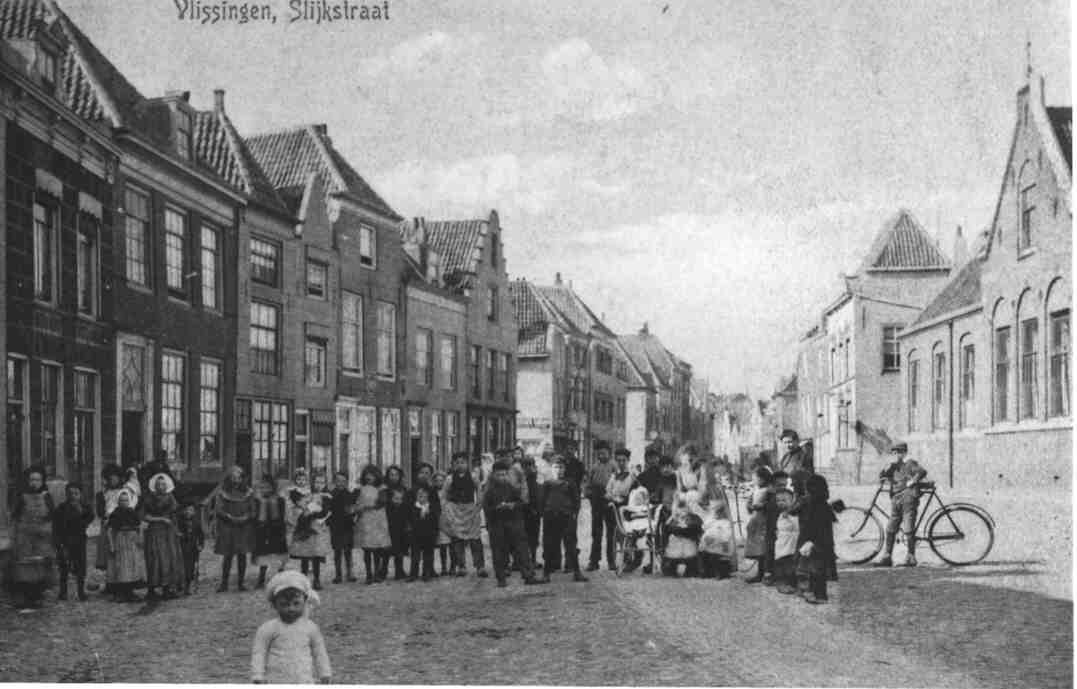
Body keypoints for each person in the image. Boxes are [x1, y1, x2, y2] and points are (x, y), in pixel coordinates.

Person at [251, 570, 332, 684]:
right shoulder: (268, 629)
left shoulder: (310, 628)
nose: (291, 609)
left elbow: (319, 652)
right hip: (276, 680)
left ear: (305, 601)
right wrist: (257, 675)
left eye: (296, 603)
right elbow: (259, 652)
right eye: (284, 604)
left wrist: (324, 673)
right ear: (274, 605)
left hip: (304, 680)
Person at [482, 460, 546, 587]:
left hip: (513, 523)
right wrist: (497, 508)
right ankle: (501, 578)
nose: (502, 477)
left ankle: (528, 575)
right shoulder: (489, 491)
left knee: (522, 550)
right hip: (497, 524)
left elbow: (521, 502)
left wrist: (513, 505)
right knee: (499, 552)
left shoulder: (511, 488)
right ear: (493, 475)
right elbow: (487, 509)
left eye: (505, 474)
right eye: (499, 475)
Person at [874, 441, 927, 568]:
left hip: (909, 498)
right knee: (890, 528)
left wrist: (913, 481)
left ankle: (911, 557)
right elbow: (882, 476)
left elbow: (922, 471)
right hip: (896, 499)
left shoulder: (910, 463)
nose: (896, 455)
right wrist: (886, 469)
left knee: (908, 528)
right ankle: (887, 557)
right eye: (894, 453)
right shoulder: (893, 466)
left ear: (904, 453)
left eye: (898, 452)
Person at [538, 457, 587, 583]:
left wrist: (574, 514)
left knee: (571, 545)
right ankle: (546, 574)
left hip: (566, 517)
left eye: (561, 467)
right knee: (549, 545)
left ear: (565, 469)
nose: (559, 470)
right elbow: (542, 501)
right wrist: (544, 513)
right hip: (551, 518)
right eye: (556, 467)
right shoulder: (547, 483)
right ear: (551, 468)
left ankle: (577, 572)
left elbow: (576, 501)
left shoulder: (570, 483)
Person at [11, 466, 55, 608]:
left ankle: (37, 596)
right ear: (27, 481)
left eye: (37, 480)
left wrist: (46, 529)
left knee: (40, 567)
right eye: (32, 480)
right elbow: (15, 516)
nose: (34, 483)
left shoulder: (46, 496)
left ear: (42, 481)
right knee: (26, 567)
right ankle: (26, 597)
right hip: (25, 537)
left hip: (42, 537)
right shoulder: (22, 496)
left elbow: (52, 515)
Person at [443, 452, 487, 578]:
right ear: (453, 465)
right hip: (456, 511)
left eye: (462, 462)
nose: (460, 465)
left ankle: (480, 566)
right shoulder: (450, 479)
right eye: (457, 463)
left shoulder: (473, 477)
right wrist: (447, 508)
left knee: (475, 539)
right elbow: (444, 494)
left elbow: (479, 490)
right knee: (458, 539)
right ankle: (461, 566)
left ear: (467, 464)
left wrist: (478, 506)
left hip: (470, 509)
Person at [94, 464, 140, 584]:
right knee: (110, 554)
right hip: (108, 526)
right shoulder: (103, 494)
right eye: (109, 478)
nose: (112, 480)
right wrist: (107, 517)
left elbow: (131, 508)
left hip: (122, 527)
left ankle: (125, 581)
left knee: (123, 556)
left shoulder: (124, 492)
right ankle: (111, 582)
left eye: (115, 477)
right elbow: (100, 512)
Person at [141, 473, 185, 599]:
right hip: (154, 532)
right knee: (154, 559)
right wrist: (160, 519)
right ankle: (151, 589)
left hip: (168, 533)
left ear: (167, 485)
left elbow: (174, 514)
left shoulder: (170, 498)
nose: (161, 487)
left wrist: (176, 529)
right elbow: (144, 516)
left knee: (168, 558)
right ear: (154, 486)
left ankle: (167, 588)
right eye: (158, 484)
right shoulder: (149, 498)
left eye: (163, 484)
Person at [215, 465, 258, 592]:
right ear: (229, 478)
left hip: (243, 527)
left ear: (242, 478)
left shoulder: (248, 493)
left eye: (238, 477)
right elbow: (219, 509)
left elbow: (253, 510)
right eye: (233, 477)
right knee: (228, 555)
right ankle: (224, 583)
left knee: (242, 555)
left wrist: (246, 518)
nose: (235, 480)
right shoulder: (223, 492)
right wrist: (229, 517)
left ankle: (241, 583)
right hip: (228, 527)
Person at [795, 474, 837, 604]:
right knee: (819, 569)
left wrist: (808, 541)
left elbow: (806, 523)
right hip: (824, 542)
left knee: (811, 568)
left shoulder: (808, 503)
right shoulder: (824, 505)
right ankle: (820, 594)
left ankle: (813, 592)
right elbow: (831, 521)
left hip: (812, 540)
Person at [287, 469, 331, 590]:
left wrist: (312, 514)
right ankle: (304, 579)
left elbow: (325, 511)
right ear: (312, 482)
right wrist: (306, 512)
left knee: (316, 555)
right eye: (316, 482)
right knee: (305, 555)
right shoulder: (307, 494)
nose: (319, 485)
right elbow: (301, 507)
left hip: (317, 527)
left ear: (325, 484)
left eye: (322, 483)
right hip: (307, 528)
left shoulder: (326, 496)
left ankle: (316, 579)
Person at [52, 481, 94, 601]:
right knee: (64, 566)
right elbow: (56, 525)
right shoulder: (61, 508)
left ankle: (81, 592)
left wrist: (80, 512)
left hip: (79, 540)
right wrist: (57, 542)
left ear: (81, 494)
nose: (73, 496)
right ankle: (63, 592)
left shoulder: (85, 507)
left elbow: (90, 517)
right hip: (65, 540)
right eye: (70, 493)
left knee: (80, 567)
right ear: (66, 494)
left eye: (76, 493)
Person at [105, 490, 145, 602]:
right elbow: (110, 530)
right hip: (121, 541)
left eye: (126, 500)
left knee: (132, 566)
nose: (124, 502)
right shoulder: (115, 513)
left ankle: (130, 592)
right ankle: (121, 593)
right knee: (121, 567)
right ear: (118, 502)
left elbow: (139, 526)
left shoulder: (132, 512)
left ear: (129, 501)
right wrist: (112, 545)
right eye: (122, 500)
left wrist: (140, 538)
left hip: (132, 541)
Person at [353, 465, 390, 584]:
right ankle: (369, 574)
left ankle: (377, 573)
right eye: (367, 475)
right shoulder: (361, 489)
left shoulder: (382, 488)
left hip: (378, 520)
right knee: (367, 548)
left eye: (372, 475)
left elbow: (382, 502)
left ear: (377, 476)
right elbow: (356, 503)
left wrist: (366, 506)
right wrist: (357, 509)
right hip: (365, 520)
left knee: (377, 548)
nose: (369, 477)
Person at [583, 442, 616, 572]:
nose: (601, 456)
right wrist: (588, 493)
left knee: (611, 532)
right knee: (596, 532)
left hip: (609, 500)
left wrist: (613, 495)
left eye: (604, 453)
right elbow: (587, 483)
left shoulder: (614, 466)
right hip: (596, 500)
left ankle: (611, 561)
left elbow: (618, 482)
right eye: (599, 453)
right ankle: (594, 561)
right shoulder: (594, 467)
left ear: (609, 453)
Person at [253, 478, 289, 589]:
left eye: (267, 487)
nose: (265, 490)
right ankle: (261, 578)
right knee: (263, 554)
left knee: (279, 554)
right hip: (263, 529)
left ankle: (281, 578)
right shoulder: (258, 500)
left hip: (277, 529)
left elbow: (283, 515)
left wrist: (283, 530)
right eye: (262, 487)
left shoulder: (280, 500)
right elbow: (255, 515)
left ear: (273, 488)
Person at [743, 466, 776, 584]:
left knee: (764, 548)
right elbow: (750, 503)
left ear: (762, 479)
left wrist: (762, 506)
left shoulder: (769, 491)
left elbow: (772, 505)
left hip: (764, 522)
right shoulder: (756, 490)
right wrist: (749, 505)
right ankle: (760, 573)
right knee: (758, 549)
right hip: (756, 521)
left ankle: (767, 574)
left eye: (755, 478)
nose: (754, 480)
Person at [327, 472, 357, 584]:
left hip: (347, 525)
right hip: (335, 526)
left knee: (348, 550)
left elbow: (353, 509)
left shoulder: (349, 494)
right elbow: (328, 510)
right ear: (334, 482)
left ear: (346, 482)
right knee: (337, 551)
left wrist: (353, 514)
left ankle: (350, 573)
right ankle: (338, 574)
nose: (341, 483)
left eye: (343, 481)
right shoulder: (331, 495)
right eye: (338, 481)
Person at [662, 496, 703, 577]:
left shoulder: (694, 517)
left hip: (689, 541)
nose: (682, 510)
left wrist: (685, 530)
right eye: (679, 507)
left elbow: (696, 528)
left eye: (684, 507)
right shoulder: (672, 518)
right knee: (672, 557)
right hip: (675, 542)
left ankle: (691, 571)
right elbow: (667, 529)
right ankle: (671, 570)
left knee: (690, 557)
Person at [407, 485, 440, 582]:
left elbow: (435, 521)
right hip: (416, 535)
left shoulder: (431, 507)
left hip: (429, 535)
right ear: (416, 496)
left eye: (424, 495)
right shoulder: (413, 507)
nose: (421, 497)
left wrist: (435, 533)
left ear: (427, 496)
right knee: (415, 556)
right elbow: (411, 521)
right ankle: (413, 574)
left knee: (428, 555)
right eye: (419, 495)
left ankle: (426, 573)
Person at [698, 499, 736, 580]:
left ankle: (720, 572)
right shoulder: (712, 520)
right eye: (716, 512)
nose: (717, 514)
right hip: (708, 543)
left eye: (719, 512)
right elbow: (704, 527)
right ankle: (706, 571)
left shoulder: (726, 522)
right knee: (703, 553)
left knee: (717, 556)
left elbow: (726, 535)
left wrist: (719, 540)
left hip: (720, 544)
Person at [772, 486, 800, 594]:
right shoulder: (780, 514)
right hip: (782, 543)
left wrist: (789, 517)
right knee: (781, 564)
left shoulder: (794, 514)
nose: (780, 503)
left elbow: (797, 526)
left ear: (792, 500)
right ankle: (781, 584)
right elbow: (780, 527)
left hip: (791, 542)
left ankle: (792, 584)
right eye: (778, 500)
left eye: (784, 500)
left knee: (791, 564)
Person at [619, 485, 651, 573]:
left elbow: (649, 516)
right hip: (633, 527)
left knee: (645, 536)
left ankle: (641, 560)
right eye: (636, 499)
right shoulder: (631, 508)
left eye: (640, 499)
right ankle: (630, 558)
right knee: (630, 536)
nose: (638, 500)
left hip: (644, 526)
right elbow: (627, 517)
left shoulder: (647, 507)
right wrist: (633, 514)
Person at [176, 499, 205, 595]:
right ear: (183, 511)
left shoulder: (196, 522)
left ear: (194, 512)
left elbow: (201, 535)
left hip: (193, 548)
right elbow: (177, 533)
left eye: (191, 510)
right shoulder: (179, 521)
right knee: (181, 567)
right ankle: (179, 585)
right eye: (187, 510)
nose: (188, 512)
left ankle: (188, 587)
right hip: (182, 547)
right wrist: (180, 535)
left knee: (191, 567)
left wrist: (201, 545)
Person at [778, 430, 813, 498]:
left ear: (796, 441)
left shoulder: (803, 456)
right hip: (786, 491)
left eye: (790, 442)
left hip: (798, 492)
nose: (787, 445)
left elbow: (805, 476)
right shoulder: (785, 457)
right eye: (785, 443)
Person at [520, 456, 542, 568]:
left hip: (534, 512)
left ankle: (532, 559)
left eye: (532, 465)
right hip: (526, 511)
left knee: (533, 537)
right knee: (527, 537)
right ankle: (527, 560)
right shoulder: (524, 480)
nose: (530, 468)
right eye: (527, 466)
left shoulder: (534, 478)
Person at [385, 487, 410, 581]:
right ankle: (383, 571)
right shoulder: (388, 508)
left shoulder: (404, 507)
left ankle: (399, 571)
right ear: (391, 499)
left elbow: (406, 520)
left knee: (399, 554)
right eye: (396, 499)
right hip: (390, 533)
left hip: (401, 534)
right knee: (388, 553)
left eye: (400, 499)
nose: (398, 501)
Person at [432, 471, 454, 575]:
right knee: (443, 545)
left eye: (441, 480)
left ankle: (453, 567)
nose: (439, 483)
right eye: (437, 481)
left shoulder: (449, 492)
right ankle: (444, 567)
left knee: (452, 545)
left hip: (450, 519)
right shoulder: (433, 492)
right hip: (439, 520)